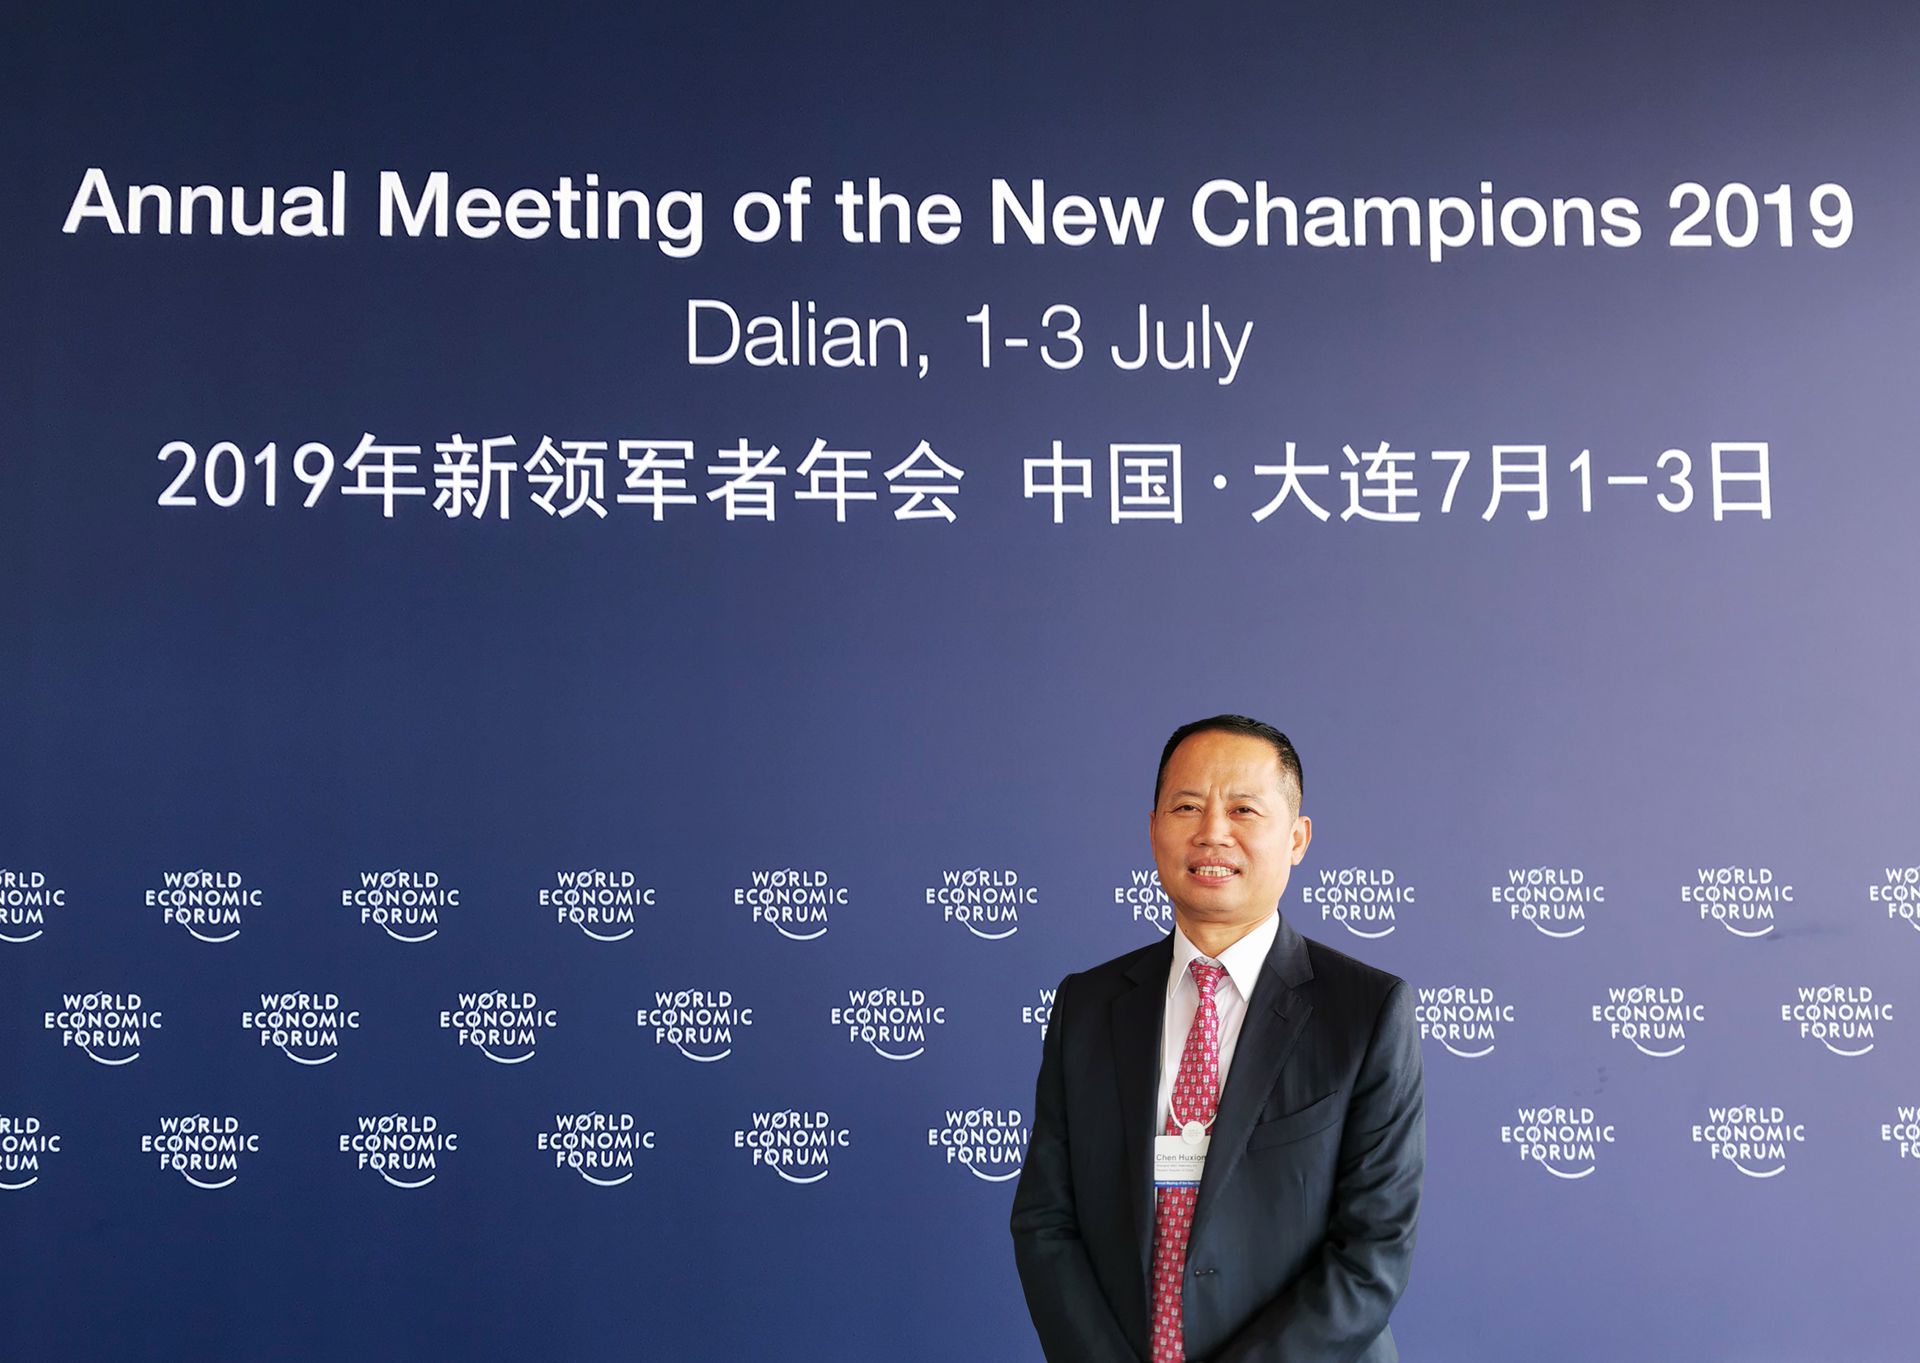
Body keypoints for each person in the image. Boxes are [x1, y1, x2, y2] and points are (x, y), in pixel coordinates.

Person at [1011, 715, 1424, 1363]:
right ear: (1153, 829)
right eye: (1186, 807)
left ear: (1297, 837)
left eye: (1243, 809)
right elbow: (1046, 1221)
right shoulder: (1087, 1006)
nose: (1211, 832)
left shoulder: (1367, 1011)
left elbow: (1373, 1251)